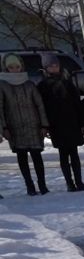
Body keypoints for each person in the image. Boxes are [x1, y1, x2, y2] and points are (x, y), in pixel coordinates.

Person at [37, 53, 84, 192]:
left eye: (56, 65)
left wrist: (82, 123)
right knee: (63, 155)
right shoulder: (43, 86)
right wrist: (45, 125)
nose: (55, 68)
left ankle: (79, 181)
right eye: (51, 66)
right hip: (56, 125)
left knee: (74, 154)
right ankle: (69, 182)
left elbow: (77, 104)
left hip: (72, 123)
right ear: (46, 68)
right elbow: (42, 107)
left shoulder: (68, 83)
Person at [0, 53, 50, 196]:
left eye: (17, 66)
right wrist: (4, 128)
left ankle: (42, 185)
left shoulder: (29, 84)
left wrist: (44, 125)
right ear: (6, 68)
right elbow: (1, 108)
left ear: (21, 66)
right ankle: (30, 186)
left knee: (36, 157)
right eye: (11, 67)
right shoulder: (3, 85)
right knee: (22, 157)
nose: (15, 69)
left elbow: (39, 105)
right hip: (14, 127)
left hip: (33, 126)